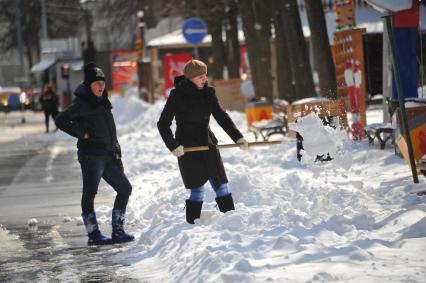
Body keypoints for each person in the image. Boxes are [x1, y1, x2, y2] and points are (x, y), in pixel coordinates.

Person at [157, 59, 249, 224]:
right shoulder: (177, 95)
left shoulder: (209, 93)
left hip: (208, 146)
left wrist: (238, 137)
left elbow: (222, 117)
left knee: (221, 186)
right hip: (187, 149)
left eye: (205, 76)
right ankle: (192, 226)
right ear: (190, 78)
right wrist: (173, 146)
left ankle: (232, 223)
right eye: (200, 77)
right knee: (197, 190)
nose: (204, 79)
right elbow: (163, 124)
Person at [55, 63, 134, 245]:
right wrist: (81, 133)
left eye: (102, 83)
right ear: (89, 85)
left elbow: (110, 130)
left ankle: (118, 231)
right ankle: (93, 234)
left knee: (125, 189)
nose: (100, 86)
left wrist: (116, 149)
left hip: (107, 153)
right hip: (91, 154)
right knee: (90, 193)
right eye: (96, 83)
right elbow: (61, 119)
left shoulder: (103, 102)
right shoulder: (82, 103)